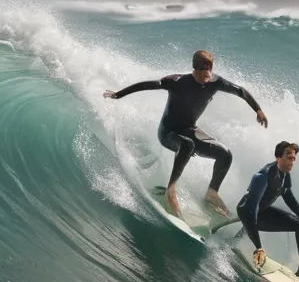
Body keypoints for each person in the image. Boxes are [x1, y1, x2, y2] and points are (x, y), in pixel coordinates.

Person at [103, 49, 267, 217]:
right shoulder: (177, 82)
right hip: (168, 132)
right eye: (204, 71)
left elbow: (240, 91)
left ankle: (211, 194)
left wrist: (258, 110)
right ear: (194, 69)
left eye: (210, 70)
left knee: (225, 154)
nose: (208, 75)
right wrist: (118, 94)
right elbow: (146, 85)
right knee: (187, 144)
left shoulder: (216, 82)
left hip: (189, 129)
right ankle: (171, 190)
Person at [237, 141, 299, 282]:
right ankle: (243, 242)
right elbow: (250, 210)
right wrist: (259, 247)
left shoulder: (285, 175)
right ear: (278, 157)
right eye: (288, 156)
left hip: (262, 212)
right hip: (247, 212)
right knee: (249, 227)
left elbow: (288, 197)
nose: (292, 159)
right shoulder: (263, 176)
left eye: (294, 158)